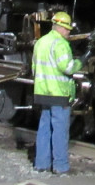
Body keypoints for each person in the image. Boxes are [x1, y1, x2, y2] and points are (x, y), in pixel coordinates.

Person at [31, 11, 87, 174]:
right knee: (60, 130)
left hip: (42, 93)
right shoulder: (60, 44)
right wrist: (82, 60)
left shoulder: (40, 42)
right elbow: (68, 68)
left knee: (44, 128)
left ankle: (41, 164)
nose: (69, 32)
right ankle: (60, 166)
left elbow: (34, 68)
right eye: (67, 29)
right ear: (60, 27)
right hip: (59, 94)